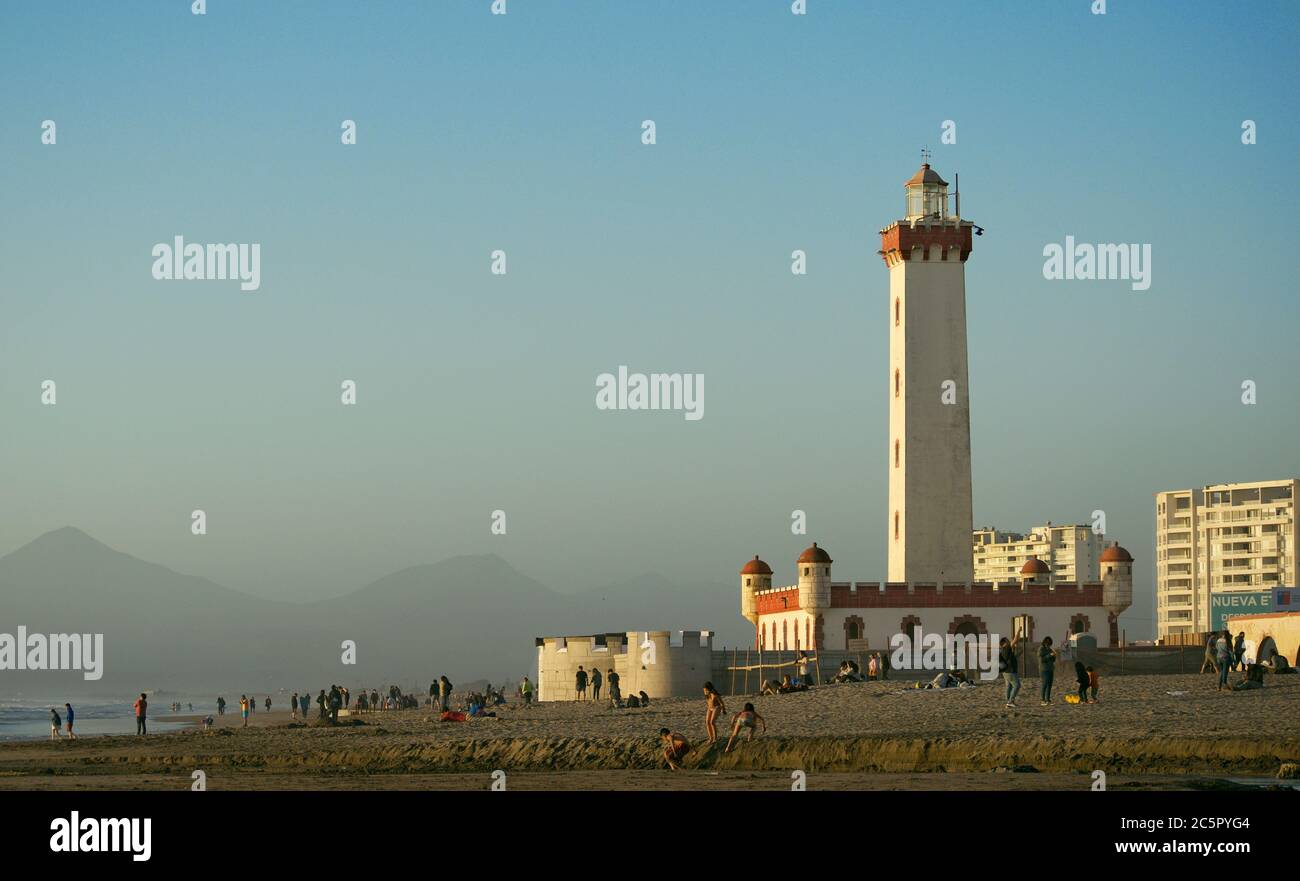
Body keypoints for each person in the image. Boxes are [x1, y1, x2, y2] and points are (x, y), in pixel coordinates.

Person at [998, 636, 1021, 708]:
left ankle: (1008, 702)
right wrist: (1019, 631)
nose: (1008, 642)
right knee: (1017, 685)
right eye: (1007, 641)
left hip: (1006, 672)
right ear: (1004, 643)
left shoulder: (1003, 650)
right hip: (1010, 671)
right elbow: (1015, 640)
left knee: (1009, 686)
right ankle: (1010, 701)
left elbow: (1013, 656)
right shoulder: (1006, 648)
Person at [1038, 637, 1057, 705]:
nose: (1048, 645)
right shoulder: (1041, 649)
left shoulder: (1050, 649)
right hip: (1044, 669)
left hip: (1050, 669)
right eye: (1047, 643)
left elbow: (1053, 660)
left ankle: (1048, 699)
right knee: (1045, 684)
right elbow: (1042, 659)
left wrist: (1054, 655)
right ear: (1044, 642)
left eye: (1049, 644)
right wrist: (1049, 655)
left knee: (1049, 685)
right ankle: (1042, 700)